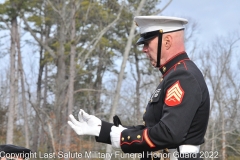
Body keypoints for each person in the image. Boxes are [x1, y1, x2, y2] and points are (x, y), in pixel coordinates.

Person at [68, 16, 210, 160]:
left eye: (147, 43)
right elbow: (153, 130)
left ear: (167, 41)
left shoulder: (183, 76)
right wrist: (103, 129)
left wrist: (122, 138)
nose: (144, 49)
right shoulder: (174, 74)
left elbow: (169, 133)